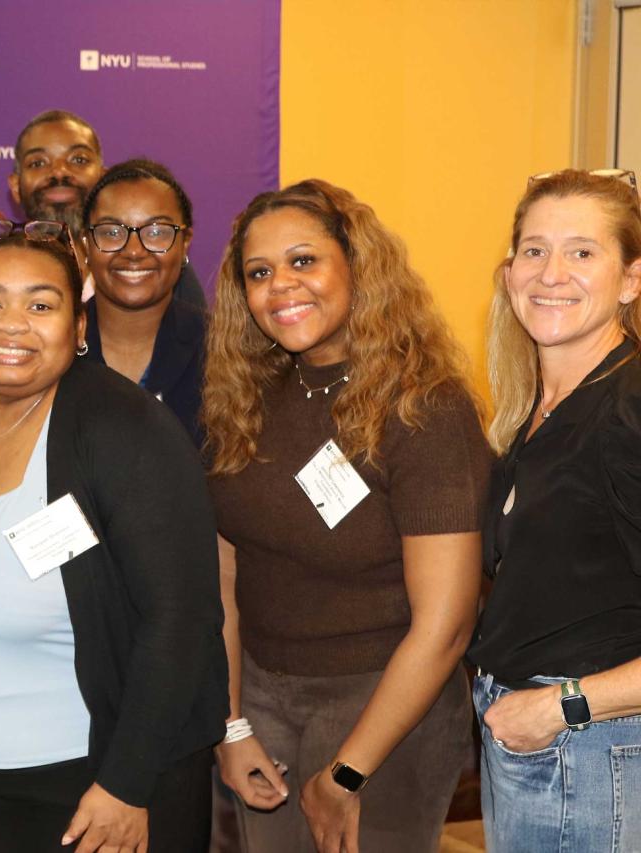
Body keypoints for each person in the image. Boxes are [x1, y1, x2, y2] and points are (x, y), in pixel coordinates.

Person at [0, 233, 227, 852]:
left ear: (79, 325)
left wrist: (127, 784)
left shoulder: (125, 430)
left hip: (92, 790)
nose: (12, 325)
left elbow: (181, 620)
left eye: (41, 306)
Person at [204, 179, 491, 853]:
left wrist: (345, 773)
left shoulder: (425, 406)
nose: (281, 286)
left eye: (304, 261)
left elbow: (445, 628)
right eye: (259, 271)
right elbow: (223, 578)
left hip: (387, 709)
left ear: (356, 264)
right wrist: (231, 723)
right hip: (261, 700)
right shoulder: (246, 397)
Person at [468, 168, 641, 852]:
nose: (551, 272)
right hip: (532, 737)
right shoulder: (533, 412)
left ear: (631, 280)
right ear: (510, 272)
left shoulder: (628, 410)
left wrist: (559, 706)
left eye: (582, 252)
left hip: (586, 742)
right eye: (534, 250)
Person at [7, 109, 206, 308]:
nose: (59, 172)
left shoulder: (162, 275)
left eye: (78, 160)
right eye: (38, 163)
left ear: (104, 178)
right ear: (16, 186)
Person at [80, 158, 205, 446]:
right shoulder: (54, 346)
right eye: (111, 232)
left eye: (156, 232)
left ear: (185, 243)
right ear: (87, 244)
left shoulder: (226, 352)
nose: (134, 251)